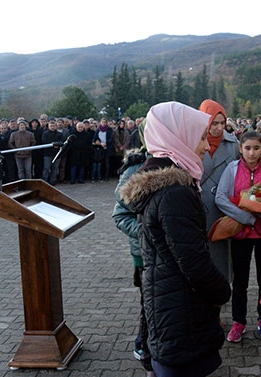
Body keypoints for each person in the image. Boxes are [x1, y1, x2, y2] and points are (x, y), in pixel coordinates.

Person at [119, 102, 231, 377]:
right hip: (181, 314)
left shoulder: (164, 184)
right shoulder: (175, 193)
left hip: (169, 307)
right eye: (201, 137)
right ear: (179, 138)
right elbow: (193, 262)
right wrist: (222, 292)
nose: (206, 146)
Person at [214, 131, 261, 343]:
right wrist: (245, 216)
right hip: (240, 233)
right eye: (247, 148)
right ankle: (239, 321)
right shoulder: (232, 169)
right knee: (240, 280)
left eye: (256, 148)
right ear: (240, 149)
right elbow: (221, 198)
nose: (251, 153)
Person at [112, 121, 153, 376]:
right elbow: (120, 215)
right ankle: (143, 344)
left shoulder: (183, 162)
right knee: (147, 302)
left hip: (173, 253)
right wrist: (151, 235)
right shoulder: (136, 167)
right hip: (144, 253)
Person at [198, 99, 240, 280]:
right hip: (199, 205)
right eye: (214, 123)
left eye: (222, 123)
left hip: (223, 208)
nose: (219, 127)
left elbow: (245, 166)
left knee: (222, 252)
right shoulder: (193, 142)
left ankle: (222, 287)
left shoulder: (232, 144)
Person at [40, 118, 65, 186]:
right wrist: (53, 144)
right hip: (47, 154)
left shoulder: (59, 134)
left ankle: (53, 181)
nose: (52, 127)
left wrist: (57, 144)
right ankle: (45, 181)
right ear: (48, 126)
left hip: (57, 154)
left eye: (54, 126)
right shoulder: (45, 133)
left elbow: (62, 142)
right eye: (51, 126)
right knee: (46, 168)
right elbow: (44, 141)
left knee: (55, 168)